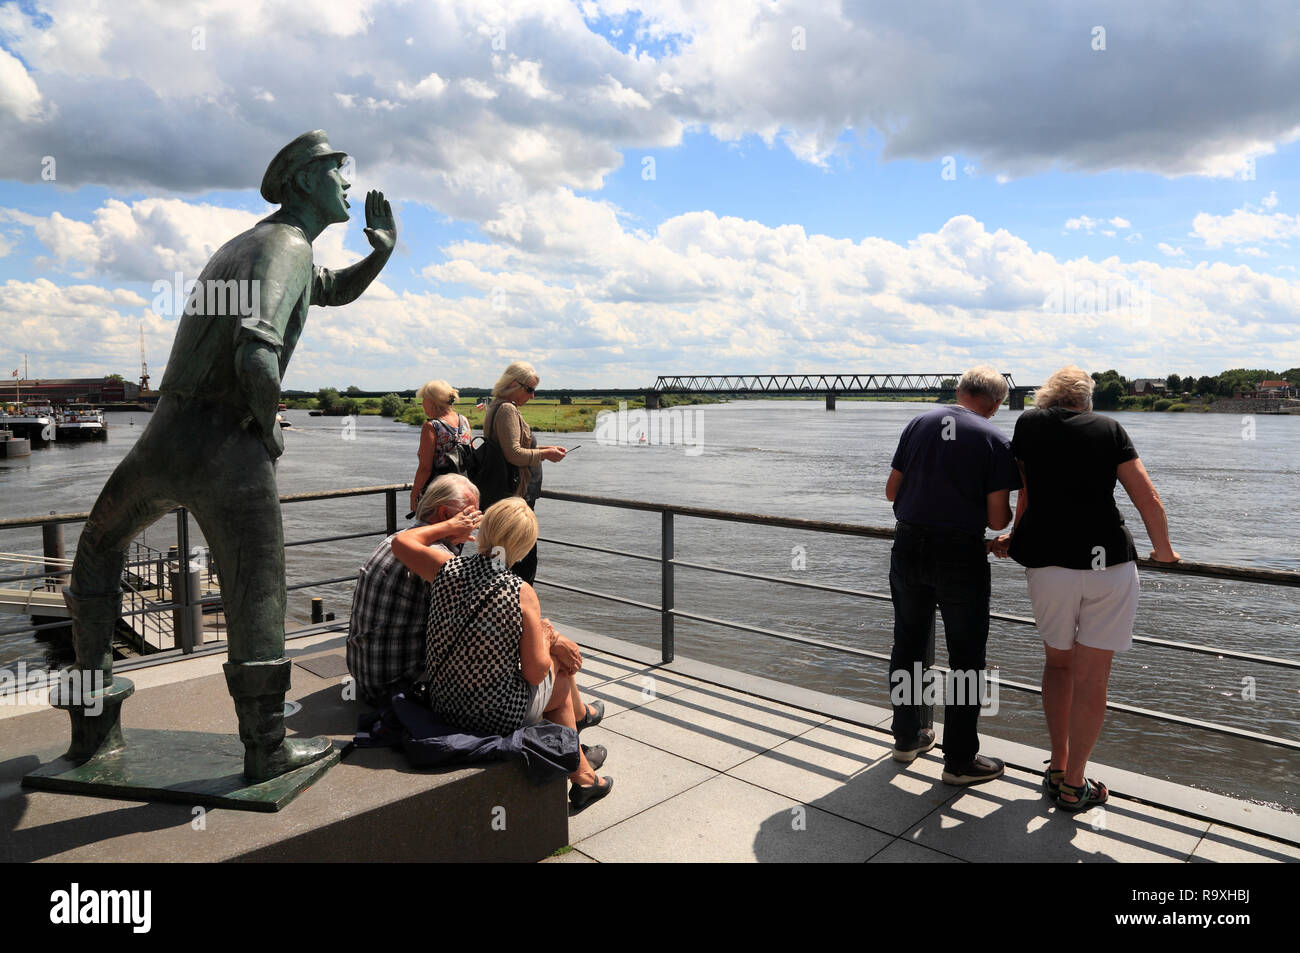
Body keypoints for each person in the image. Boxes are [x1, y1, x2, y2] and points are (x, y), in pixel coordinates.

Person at [65, 130, 395, 780]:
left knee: (97, 552)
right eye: (336, 172)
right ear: (303, 182)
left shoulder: (254, 243)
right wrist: (269, 428)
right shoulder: (287, 246)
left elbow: (325, 287)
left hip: (165, 435)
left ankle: (93, 730)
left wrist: (378, 254)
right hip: (224, 443)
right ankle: (267, 747)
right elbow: (256, 350)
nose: (348, 185)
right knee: (257, 595)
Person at [992, 365, 1179, 812]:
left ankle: (1056, 765)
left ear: (1048, 397)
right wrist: (1164, 550)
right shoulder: (1109, 429)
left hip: (1048, 563)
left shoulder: (1029, 424)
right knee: (1093, 678)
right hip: (1108, 564)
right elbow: (1146, 497)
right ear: (1085, 399)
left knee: (1058, 666)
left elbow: (1026, 494)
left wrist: (1014, 537)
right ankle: (1075, 784)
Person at [392, 497, 612, 808]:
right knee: (559, 677)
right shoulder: (521, 591)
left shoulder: (445, 567)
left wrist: (448, 527)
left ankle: (581, 735)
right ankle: (583, 775)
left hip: (442, 701)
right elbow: (535, 672)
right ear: (523, 547)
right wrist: (551, 640)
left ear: (484, 531)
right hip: (493, 716)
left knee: (555, 656)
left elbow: (402, 541)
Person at [884, 365, 1020, 786]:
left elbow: (892, 492)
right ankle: (959, 760)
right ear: (996, 404)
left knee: (907, 643)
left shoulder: (918, 423)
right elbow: (998, 516)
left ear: (959, 390)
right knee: (965, 659)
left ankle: (907, 738)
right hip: (960, 555)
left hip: (907, 547)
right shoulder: (995, 439)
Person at [348, 474, 479, 705]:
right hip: (395, 686)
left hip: (365, 676)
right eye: (471, 516)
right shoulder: (436, 554)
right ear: (446, 515)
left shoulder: (397, 539)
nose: (476, 524)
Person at [478, 361, 567, 584]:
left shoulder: (496, 405)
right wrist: (545, 455)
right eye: (529, 390)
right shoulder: (507, 408)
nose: (533, 396)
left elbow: (512, 448)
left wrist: (544, 449)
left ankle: (496, 605)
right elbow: (514, 454)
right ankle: (517, 611)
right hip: (514, 498)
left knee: (499, 559)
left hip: (501, 496)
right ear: (513, 384)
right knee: (522, 562)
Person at [409, 379, 471, 514]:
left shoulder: (431, 427)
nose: (422, 404)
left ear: (432, 402)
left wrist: (414, 495)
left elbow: (425, 468)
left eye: (424, 400)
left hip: (440, 493)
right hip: (463, 490)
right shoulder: (464, 421)